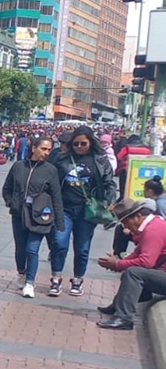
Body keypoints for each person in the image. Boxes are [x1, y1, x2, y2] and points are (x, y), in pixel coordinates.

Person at [50, 126, 118, 298]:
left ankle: (77, 279)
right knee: (59, 243)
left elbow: (109, 183)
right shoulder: (62, 159)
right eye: (76, 144)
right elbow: (51, 180)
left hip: (87, 210)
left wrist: (109, 200)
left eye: (83, 143)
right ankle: (56, 278)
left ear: (90, 143)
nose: (79, 147)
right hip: (64, 208)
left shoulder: (100, 160)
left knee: (82, 248)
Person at [1, 137, 62, 298]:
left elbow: (56, 196)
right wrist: (11, 203)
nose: (46, 152)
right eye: (43, 148)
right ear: (34, 148)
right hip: (19, 214)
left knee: (32, 249)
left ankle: (29, 283)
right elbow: (7, 188)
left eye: (49, 149)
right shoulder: (18, 166)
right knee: (20, 249)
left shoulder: (50, 170)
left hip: (40, 216)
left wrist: (59, 221)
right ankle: (21, 272)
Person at [94, 199, 166, 331]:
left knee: (133, 273)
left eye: (127, 223)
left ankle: (124, 318)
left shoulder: (153, 230)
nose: (127, 228)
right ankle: (118, 305)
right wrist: (118, 263)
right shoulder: (153, 224)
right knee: (130, 270)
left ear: (138, 216)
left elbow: (146, 262)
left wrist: (118, 264)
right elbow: (137, 253)